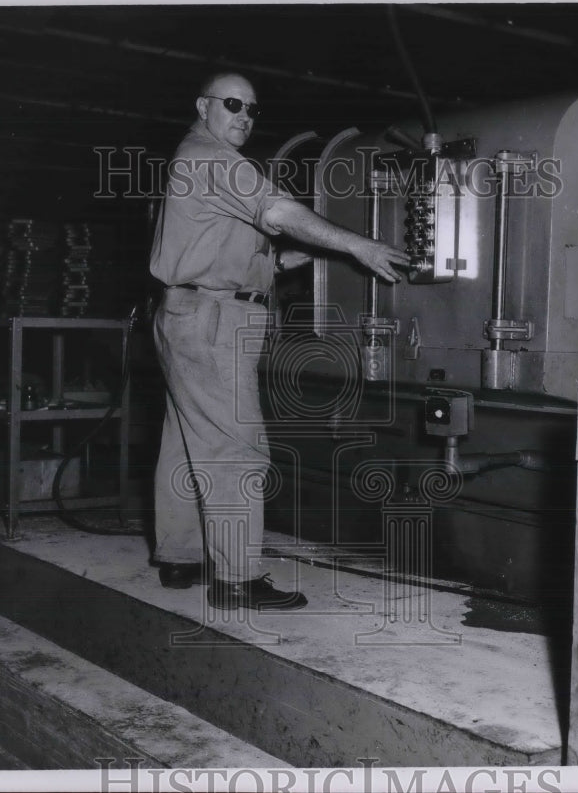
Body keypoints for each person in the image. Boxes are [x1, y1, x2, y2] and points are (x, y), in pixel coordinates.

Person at [149, 72, 409, 610]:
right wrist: (357, 243)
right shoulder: (213, 159)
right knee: (237, 449)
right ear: (203, 106)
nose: (244, 115)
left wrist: (326, 252)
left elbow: (258, 257)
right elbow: (280, 213)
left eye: (252, 109)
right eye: (232, 104)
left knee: (187, 440)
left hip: (190, 311)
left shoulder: (200, 160)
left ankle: (181, 558)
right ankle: (238, 580)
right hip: (213, 320)